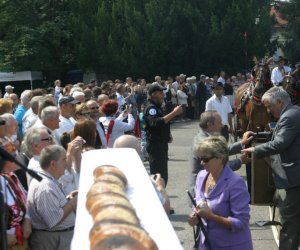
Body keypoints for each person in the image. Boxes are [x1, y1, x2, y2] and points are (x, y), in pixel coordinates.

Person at [242, 86, 300, 250]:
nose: (267, 111)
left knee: (289, 226)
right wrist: (258, 136)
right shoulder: (292, 113)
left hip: (293, 181)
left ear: (280, 102)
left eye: (269, 106)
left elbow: (281, 143)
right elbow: (280, 135)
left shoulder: (289, 117)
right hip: (294, 178)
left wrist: (256, 149)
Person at [188, 136, 252, 250]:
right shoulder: (201, 176)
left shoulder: (235, 183)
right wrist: (194, 216)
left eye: (206, 159)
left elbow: (241, 223)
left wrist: (211, 216)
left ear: (221, 158)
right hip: (206, 245)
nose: (202, 162)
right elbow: (198, 203)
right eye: (200, 159)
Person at [189, 111, 252, 197]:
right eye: (219, 122)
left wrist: (242, 143)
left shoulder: (204, 137)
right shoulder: (203, 142)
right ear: (210, 125)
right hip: (201, 192)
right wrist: (240, 161)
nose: (222, 125)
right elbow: (219, 167)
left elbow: (221, 150)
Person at [27, 145, 78, 250]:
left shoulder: (47, 181)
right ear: (53, 164)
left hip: (56, 238)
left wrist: (68, 198)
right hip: (52, 240)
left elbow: (55, 207)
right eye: (64, 159)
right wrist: (72, 203)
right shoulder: (45, 187)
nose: (67, 163)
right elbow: (53, 220)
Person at [113, 134, 171, 214]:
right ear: (136, 154)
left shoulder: (105, 176)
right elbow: (165, 209)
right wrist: (160, 187)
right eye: (140, 152)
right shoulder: (142, 180)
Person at [144, 84, 182, 185]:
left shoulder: (158, 106)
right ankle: (159, 197)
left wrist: (167, 134)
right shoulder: (151, 108)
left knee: (163, 174)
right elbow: (156, 122)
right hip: (155, 145)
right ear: (153, 94)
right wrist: (174, 113)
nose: (163, 95)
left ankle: (162, 195)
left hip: (161, 143)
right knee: (158, 175)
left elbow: (163, 124)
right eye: (160, 93)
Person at [0, 140, 32, 249]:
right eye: (13, 156)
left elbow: (26, 199)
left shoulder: (11, 177)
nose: (17, 159)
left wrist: (27, 220)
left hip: (20, 240)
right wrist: (3, 237)